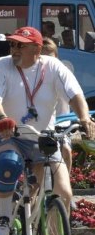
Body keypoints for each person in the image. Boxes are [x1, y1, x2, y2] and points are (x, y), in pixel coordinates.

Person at [0, 27, 94, 235]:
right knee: (8, 163)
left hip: (44, 137)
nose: (14, 49)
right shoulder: (2, 65)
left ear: (37, 49)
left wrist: (84, 118)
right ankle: (3, 216)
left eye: (20, 45)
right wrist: (1, 118)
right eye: (12, 45)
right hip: (10, 133)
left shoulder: (53, 67)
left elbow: (75, 95)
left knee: (63, 192)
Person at [42, 38, 74, 171]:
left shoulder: (63, 71)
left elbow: (74, 94)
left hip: (62, 123)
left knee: (65, 149)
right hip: (43, 124)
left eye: (51, 57)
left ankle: (67, 179)